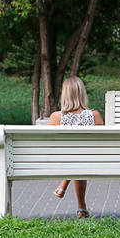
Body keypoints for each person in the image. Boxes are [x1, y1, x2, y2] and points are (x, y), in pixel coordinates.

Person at [49, 75, 103, 218]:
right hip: (91, 161)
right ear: (82, 94)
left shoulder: (56, 117)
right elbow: (100, 145)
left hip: (62, 161)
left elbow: (52, 146)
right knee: (81, 156)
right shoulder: (95, 115)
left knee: (76, 156)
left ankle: (64, 184)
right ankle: (81, 207)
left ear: (64, 95)